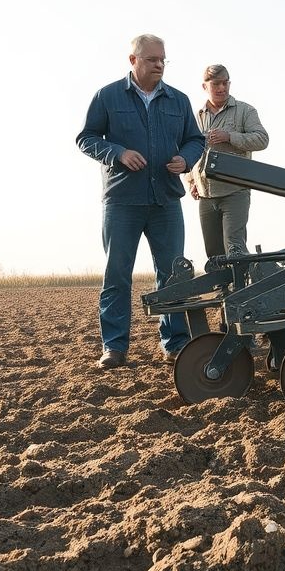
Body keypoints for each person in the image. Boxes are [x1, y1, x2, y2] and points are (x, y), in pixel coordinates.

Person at [76, 34, 205, 369]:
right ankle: (114, 347)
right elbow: (86, 138)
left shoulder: (178, 100)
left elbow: (195, 139)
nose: (159, 64)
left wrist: (186, 160)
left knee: (173, 274)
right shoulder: (107, 96)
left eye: (163, 59)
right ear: (133, 60)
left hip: (166, 200)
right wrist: (117, 153)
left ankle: (175, 344)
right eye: (151, 59)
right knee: (117, 273)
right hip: (122, 201)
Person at [188, 64, 269, 265]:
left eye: (225, 83)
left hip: (235, 191)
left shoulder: (245, 111)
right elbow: (189, 150)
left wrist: (229, 136)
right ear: (204, 86)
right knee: (213, 252)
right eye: (216, 84)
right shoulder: (196, 116)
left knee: (234, 247)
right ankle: (222, 290)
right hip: (206, 195)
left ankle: (241, 292)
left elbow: (262, 139)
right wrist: (191, 181)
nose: (222, 88)